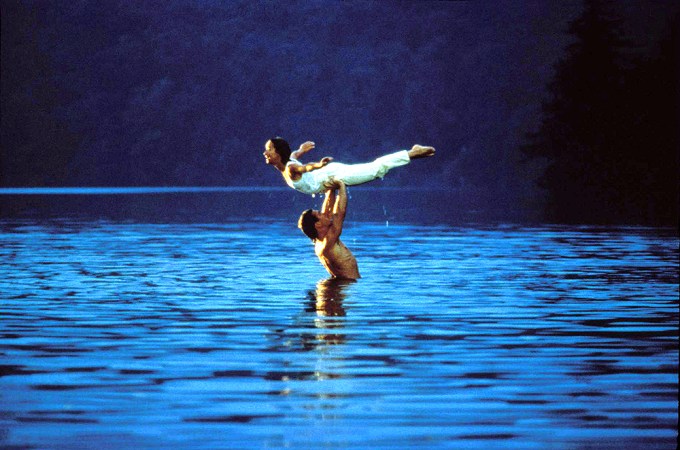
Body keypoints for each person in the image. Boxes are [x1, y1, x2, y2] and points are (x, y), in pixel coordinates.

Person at [263, 138, 435, 195]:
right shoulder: (290, 162)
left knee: (374, 169)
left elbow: (306, 167)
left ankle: (411, 153)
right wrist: (302, 149)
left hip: (332, 175)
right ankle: (410, 153)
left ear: (278, 154)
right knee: (373, 169)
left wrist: (318, 165)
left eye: (268, 150)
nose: (265, 153)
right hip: (329, 176)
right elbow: (295, 155)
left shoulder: (291, 169)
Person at [297, 179, 360, 279]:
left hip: (336, 285)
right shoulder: (328, 241)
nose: (324, 213)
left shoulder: (321, 240)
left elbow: (328, 209)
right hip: (346, 286)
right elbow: (340, 212)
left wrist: (330, 188)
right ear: (317, 224)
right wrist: (341, 185)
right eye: (319, 214)